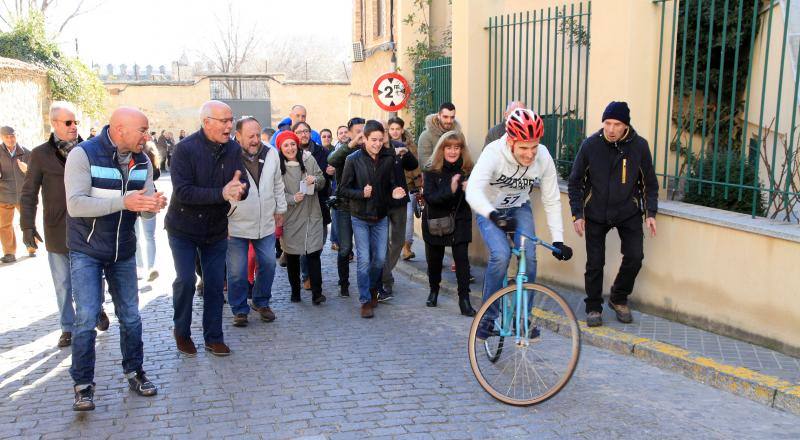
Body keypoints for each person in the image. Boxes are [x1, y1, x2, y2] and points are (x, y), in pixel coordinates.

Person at [64, 107, 166, 411]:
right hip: (87, 249)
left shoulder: (143, 160)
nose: (147, 136)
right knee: (86, 319)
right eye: (142, 130)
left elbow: (143, 206)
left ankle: (135, 372)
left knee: (131, 316)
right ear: (119, 129)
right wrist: (124, 201)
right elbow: (75, 205)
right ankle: (83, 385)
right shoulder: (83, 155)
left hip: (123, 249)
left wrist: (153, 205)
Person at [465, 108, 574, 339]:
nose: (530, 154)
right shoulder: (493, 153)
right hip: (489, 209)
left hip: (519, 206)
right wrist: (493, 215)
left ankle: (522, 319)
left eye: (534, 146)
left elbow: (552, 198)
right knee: (501, 255)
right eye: (524, 147)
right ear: (511, 141)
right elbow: (473, 191)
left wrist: (558, 239)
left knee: (529, 255)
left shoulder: (543, 156)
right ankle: (487, 317)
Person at [20, 102, 109, 348]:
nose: (73, 127)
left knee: (94, 275)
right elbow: (29, 192)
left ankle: (97, 309)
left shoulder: (90, 149)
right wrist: (27, 225)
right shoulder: (40, 154)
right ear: (55, 124)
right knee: (62, 283)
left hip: (90, 226)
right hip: (57, 227)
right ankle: (68, 327)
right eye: (68, 123)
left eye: (75, 122)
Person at [165, 100, 248, 357]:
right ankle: (182, 331)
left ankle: (214, 337)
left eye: (230, 120)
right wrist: (222, 193)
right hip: (183, 228)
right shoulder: (184, 149)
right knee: (187, 280)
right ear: (206, 122)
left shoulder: (233, 149)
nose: (229, 125)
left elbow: (240, 182)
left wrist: (240, 190)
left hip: (215, 228)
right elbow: (183, 191)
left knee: (214, 284)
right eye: (223, 121)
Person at [567, 101, 658, 327]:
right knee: (595, 263)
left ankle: (618, 297)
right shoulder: (590, 146)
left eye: (617, 124)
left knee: (635, 257)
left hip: (628, 211)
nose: (611, 129)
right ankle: (593, 307)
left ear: (625, 125)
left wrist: (650, 213)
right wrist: (577, 213)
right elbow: (575, 181)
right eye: (607, 123)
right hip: (596, 211)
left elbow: (650, 183)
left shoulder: (639, 147)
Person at [339, 120, 406, 318]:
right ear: (364, 139)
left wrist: (395, 192)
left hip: (381, 215)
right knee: (364, 261)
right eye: (373, 140)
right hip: (359, 216)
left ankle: (374, 288)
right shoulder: (353, 159)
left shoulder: (388, 157)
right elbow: (343, 189)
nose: (377, 144)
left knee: (379, 259)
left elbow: (391, 183)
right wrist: (361, 193)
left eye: (380, 140)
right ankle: (365, 300)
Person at [227, 116, 286, 326]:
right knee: (237, 271)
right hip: (236, 223)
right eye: (250, 136)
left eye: (257, 135)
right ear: (238, 136)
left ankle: (261, 301)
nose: (255, 140)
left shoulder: (270, 152)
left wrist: (280, 208)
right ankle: (239, 309)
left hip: (266, 222)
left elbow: (278, 183)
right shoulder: (228, 155)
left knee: (269, 264)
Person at [422, 130, 476, 316]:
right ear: (442, 149)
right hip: (436, 221)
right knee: (434, 260)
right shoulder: (430, 169)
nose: (453, 152)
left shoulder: (468, 169)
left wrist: (471, 190)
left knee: (462, 261)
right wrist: (451, 189)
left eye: (457, 148)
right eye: (449, 148)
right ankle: (434, 290)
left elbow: (477, 199)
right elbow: (430, 198)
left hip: (460, 219)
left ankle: (464, 300)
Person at [276, 130, 326, 304]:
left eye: (292, 144)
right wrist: (291, 198)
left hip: (312, 214)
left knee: (313, 254)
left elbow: (322, 179)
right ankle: (295, 292)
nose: (290, 148)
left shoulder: (308, 159)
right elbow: (275, 192)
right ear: (280, 148)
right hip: (290, 217)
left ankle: (317, 293)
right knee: (292, 256)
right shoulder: (277, 166)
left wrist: (316, 181)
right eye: (285, 145)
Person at [377, 120, 420, 301]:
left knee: (398, 240)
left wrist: (406, 153)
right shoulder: (375, 150)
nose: (387, 134)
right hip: (381, 201)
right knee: (383, 242)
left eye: (387, 131)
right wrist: (391, 155)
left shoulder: (399, 146)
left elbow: (412, 165)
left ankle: (385, 274)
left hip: (400, 201)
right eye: (384, 131)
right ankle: (386, 279)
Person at [327, 117, 365, 297]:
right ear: (349, 133)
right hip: (344, 206)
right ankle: (344, 283)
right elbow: (332, 159)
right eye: (358, 131)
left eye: (363, 131)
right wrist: (352, 145)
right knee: (344, 248)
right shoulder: (344, 149)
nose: (361, 135)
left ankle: (370, 285)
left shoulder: (370, 147)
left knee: (366, 249)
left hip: (365, 205)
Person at [294, 121, 332, 290]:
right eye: (300, 131)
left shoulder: (321, 151)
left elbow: (325, 175)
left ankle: (311, 267)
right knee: (305, 243)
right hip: (300, 204)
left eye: (306, 131)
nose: (303, 134)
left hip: (319, 202)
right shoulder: (289, 151)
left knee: (320, 241)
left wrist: (324, 176)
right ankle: (306, 275)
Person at [386, 117, 422, 261]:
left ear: (402, 129)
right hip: (391, 188)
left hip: (409, 187)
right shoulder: (385, 145)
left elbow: (416, 166)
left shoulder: (411, 146)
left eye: (397, 129)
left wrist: (419, 186)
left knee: (407, 218)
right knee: (390, 220)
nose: (395, 132)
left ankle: (406, 247)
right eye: (392, 129)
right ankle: (391, 246)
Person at [0, 126, 34, 263]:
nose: (10, 139)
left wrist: (27, 170)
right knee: (4, 225)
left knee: (28, 222)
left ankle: (32, 246)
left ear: (16, 136)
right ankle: (9, 253)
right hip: (3, 195)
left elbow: (36, 173)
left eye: (12, 136)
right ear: (2, 137)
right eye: (6, 137)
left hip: (24, 194)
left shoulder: (27, 153)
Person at [135, 140, 161, 281]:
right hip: (148, 197)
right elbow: (156, 174)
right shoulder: (150, 150)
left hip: (136, 197)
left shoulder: (131, 152)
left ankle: (140, 267)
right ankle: (150, 266)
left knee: (137, 236)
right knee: (148, 236)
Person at [417, 102, 459, 168]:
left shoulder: (458, 134)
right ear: (439, 116)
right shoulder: (426, 136)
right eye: (445, 117)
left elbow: (465, 158)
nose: (449, 121)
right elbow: (424, 164)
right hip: (435, 176)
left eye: (452, 117)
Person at [320, 128, 339, 249]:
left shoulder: (335, 151)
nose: (326, 138)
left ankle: (334, 240)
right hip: (323, 188)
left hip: (333, 187)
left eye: (328, 136)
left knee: (335, 214)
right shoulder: (318, 152)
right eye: (324, 136)